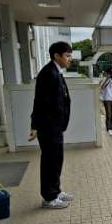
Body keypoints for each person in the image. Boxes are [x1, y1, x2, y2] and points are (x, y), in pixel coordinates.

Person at [29, 41, 73, 209]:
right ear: (56, 56)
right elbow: (39, 102)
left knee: (56, 160)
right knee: (50, 161)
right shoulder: (48, 74)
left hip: (55, 126)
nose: (70, 59)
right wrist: (34, 125)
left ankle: (56, 191)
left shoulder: (56, 71)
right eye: (67, 55)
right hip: (48, 126)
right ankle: (49, 198)